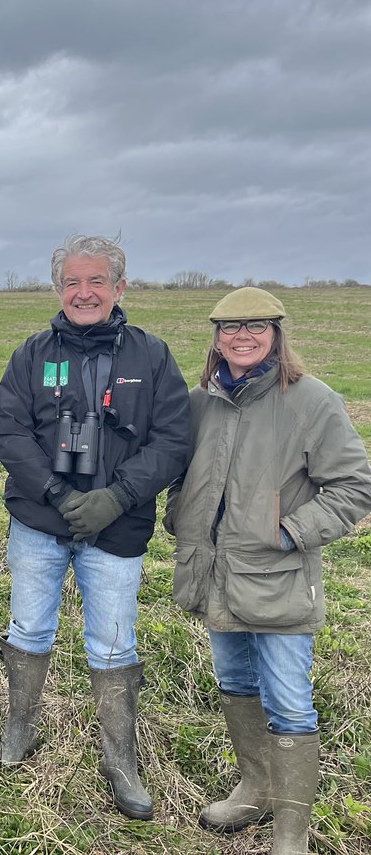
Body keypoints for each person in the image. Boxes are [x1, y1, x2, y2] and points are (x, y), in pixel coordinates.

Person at [0, 234, 190, 820]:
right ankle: (19, 731)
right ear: (58, 289)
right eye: (72, 283)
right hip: (38, 524)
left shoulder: (151, 356)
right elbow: (9, 431)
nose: (83, 293)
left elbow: (174, 439)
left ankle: (119, 760)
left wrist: (116, 497)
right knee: (28, 628)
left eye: (96, 282)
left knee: (114, 642)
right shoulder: (32, 354)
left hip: (118, 529)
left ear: (119, 288)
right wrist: (53, 492)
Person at [165, 288, 371, 854]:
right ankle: (255, 789)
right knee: (236, 684)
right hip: (216, 577)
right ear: (216, 338)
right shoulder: (200, 402)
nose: (243, 336)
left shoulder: (312, 401)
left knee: (288, 702)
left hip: (278, 579)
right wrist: (180, 513)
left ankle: (291, 833)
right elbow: (184, 473)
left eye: (256, 326)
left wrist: (291, 532)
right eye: (230, 328)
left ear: (278, 334)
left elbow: (356, 486)